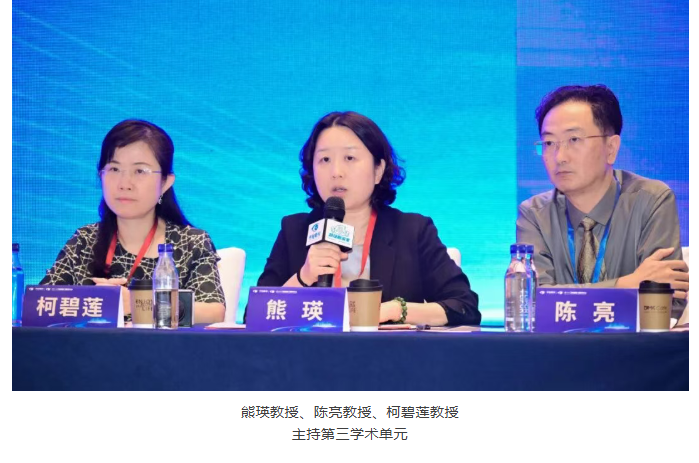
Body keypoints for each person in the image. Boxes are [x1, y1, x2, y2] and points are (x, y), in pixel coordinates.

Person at [256, 111, 481, 326]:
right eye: (324, 159)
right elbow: (254, 317)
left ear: (378, 170)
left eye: (350, 158)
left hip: (387, 353)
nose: (336, 172)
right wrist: (303, 277)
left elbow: (465, 306)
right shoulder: (294, 231)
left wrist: (396, 310)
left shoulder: (412, 231)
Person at [516, 85, 688, 318]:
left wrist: (568, 300)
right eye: (548, 143)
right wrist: (625, 286)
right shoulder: (534, 214)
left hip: (633, 342)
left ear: (611, 148)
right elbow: (533, 306)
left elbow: (666, 302)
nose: (560, 157)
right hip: (558, 343)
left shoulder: (651, 200)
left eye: (574, 139)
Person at [40, 119, 226, 324]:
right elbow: (38, 304)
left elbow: (214, 311)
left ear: (165, 182)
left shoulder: (191, 243)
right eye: (114, 169)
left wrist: (139, 303)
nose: (124, 184)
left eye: (140, 171)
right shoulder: (85, 241)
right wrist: (96, 301)